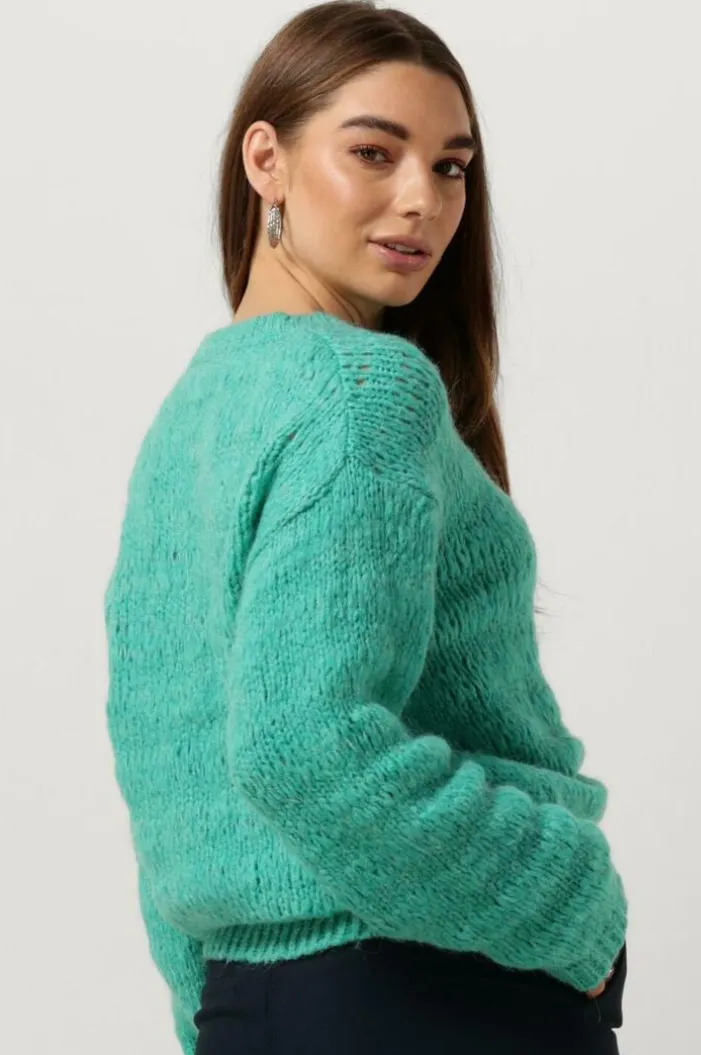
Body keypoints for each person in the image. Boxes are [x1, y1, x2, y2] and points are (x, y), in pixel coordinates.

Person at [103, 3, 628, 1053]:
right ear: (266, 159)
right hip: (439, 986)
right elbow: (301, 747)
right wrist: (573, 902)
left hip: (258, 1004)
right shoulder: (364, 392)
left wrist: (211, 1010)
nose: (422, 199)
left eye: (451, 166)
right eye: (374, 153)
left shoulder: (191, 416)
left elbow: (168, 777)